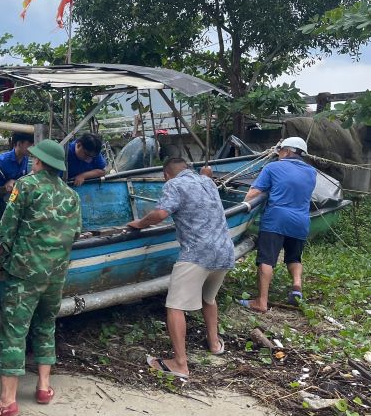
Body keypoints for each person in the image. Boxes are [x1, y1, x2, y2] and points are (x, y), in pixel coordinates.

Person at [0, 139, 81, 416]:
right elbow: (75, 235)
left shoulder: (26, 185)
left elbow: (7, 228)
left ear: (38, 162)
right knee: (46, 325)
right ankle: (44, 387)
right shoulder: (71, 195)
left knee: (14, 331)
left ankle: (7, 400)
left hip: (25, 274)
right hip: (56, 274)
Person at [127, 158, 233, 378]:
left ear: (166, 175)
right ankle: (214, 344)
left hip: (197, 253)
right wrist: (206, 174)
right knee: (208, 299)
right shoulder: (208, 182)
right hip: (224, 251)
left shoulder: (173, 184)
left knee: (175, 306)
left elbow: (160, 214)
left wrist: (138, 223)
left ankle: (180, 364)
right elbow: (205, 176)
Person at [240, 137, 317, 312]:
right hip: (301, 221)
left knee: (266, 260)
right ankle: (297, 287)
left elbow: (254, 192)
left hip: (276, 220)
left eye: (281, 150)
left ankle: (261, 302)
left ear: (288, 151)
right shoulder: (312, 172)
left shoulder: (272, 167)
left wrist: (240, 210)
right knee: (294, 258)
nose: (279, 153)